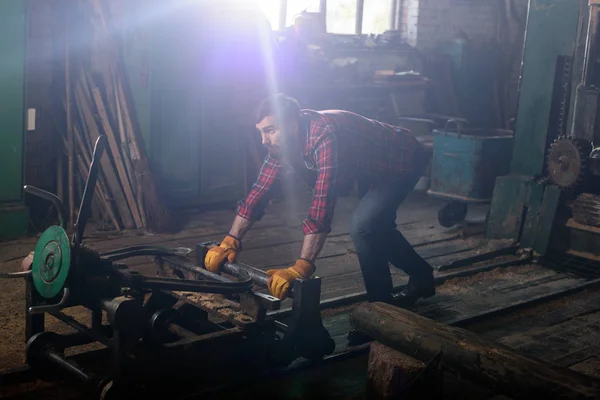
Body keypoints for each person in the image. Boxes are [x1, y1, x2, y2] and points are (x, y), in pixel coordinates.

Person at [204, 93, 435, 308]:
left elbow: (322, 204)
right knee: (376, 227)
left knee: (363, 227)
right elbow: (260, 190)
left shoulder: (324, 136)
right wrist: (230, 241)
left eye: (270, 130)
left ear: (292, 125)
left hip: (402, 159)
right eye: (261, 132)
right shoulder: (281, 144)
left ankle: (381, 309)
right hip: (370, 167)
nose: (264, 140)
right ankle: (421, 277)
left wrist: (302, 267)